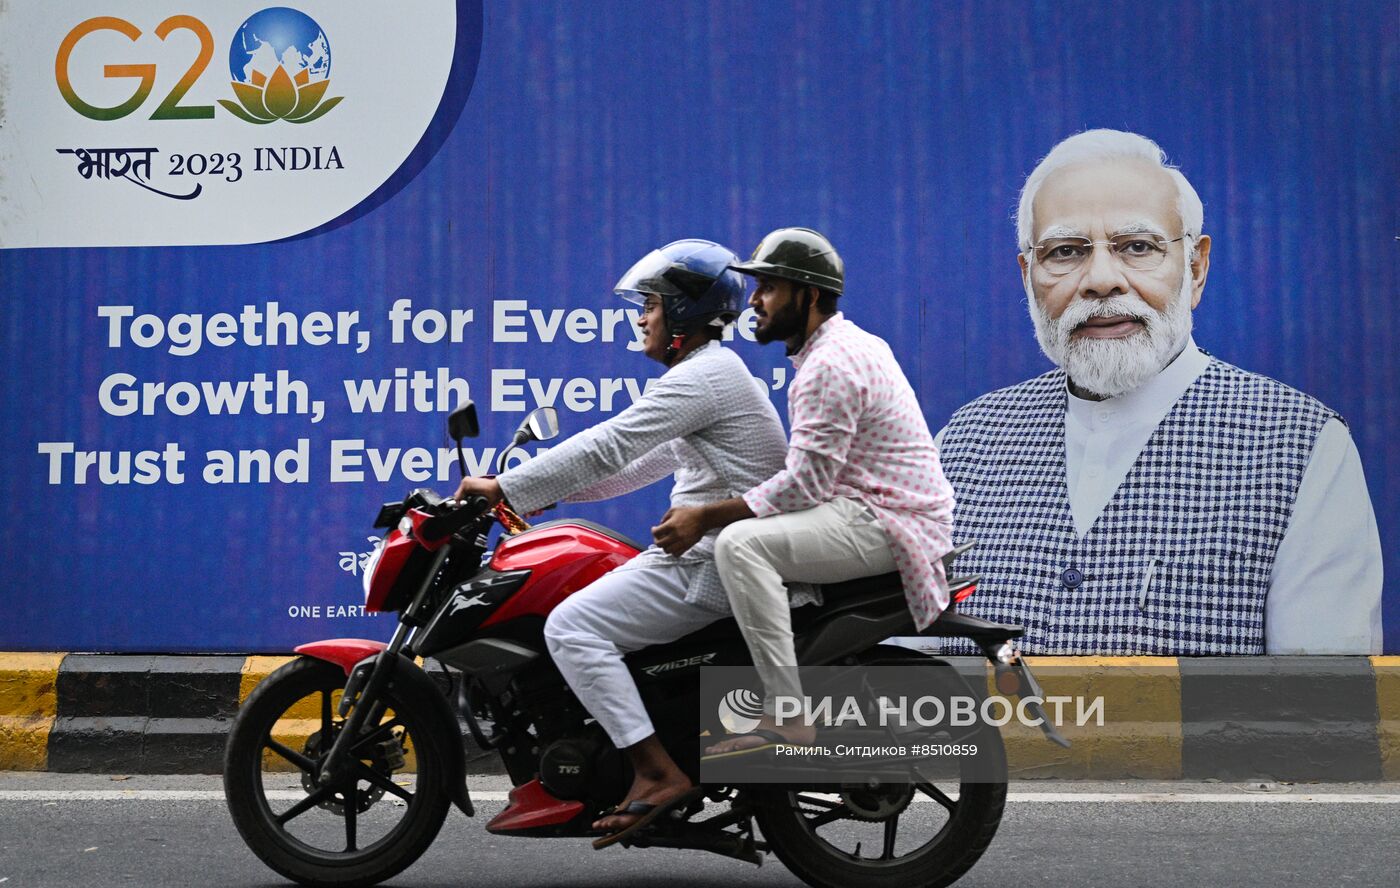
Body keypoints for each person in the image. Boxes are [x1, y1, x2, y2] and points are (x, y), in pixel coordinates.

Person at [931, 129, 1382, 656]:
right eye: (1065, 252)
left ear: (1196, 268)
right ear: (1027, 275)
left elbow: (1323, 716)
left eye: (1137, 247)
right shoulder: (961, 444)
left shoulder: (1300, 447)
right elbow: (897, 692)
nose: (1101, 279)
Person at [452, 239, 790, 839]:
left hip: (716, 560)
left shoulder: (705, 376)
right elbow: (638, 465)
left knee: (571, 627)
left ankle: (655, 771)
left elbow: (610, 446)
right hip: (725, 554)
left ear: (683, 315)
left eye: (652, 305)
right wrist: (541, 495)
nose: (641, 317)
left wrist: (504, 486)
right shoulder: (711, 375)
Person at [651, 228, 956, 756]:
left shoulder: (829, 365)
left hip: (882, 519)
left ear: (809, 296)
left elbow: (803, 485)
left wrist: (704, 516)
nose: (754, 301)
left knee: (740, 545)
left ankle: (786, 715)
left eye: (768, 287)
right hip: (868, 509)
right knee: (746, 537)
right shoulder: (842, 346)